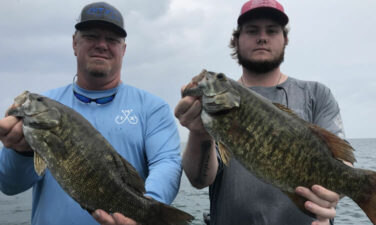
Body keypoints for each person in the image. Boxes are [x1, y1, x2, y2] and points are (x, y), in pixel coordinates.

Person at [0, 2, 182, 225]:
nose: (101, 45)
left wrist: (150, 203)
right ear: (75, 44)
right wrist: (21, 152)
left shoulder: (153, 107)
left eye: (112, 40)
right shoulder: (45, 106)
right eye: (91, 36)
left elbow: (167, 162)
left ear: (123, 50)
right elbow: (9, 185)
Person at [175, 0, 352, 225]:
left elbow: (342, 162)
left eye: (272, 30)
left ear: (285, 39)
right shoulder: (215, 108)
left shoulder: (316, 94)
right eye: (252, 30)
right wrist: (200, 133)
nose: (262, 37)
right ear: (236, 40)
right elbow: (200, 180)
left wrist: (336, 192)